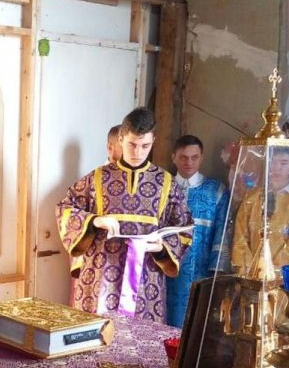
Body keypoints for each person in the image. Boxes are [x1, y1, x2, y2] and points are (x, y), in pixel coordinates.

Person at [57, 107, 193, 322]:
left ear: (153, 140)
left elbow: (185, 227)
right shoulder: (97, 178)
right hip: (100, 277)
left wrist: (161, 247)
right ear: (120, 139)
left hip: (146, 280)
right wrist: (94, 220)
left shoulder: (166, 183)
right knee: (96, 334)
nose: (138, 152)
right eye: (132, 144)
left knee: (141, 337)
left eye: (145, 146)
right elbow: (65, 208)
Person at [164, 135, 230, 327]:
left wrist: (217, 270)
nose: (189, 162)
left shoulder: (216, 190)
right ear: (174, 157)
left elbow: (222, 231)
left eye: (194, 157)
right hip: (166, 268)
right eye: (183, 157)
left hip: (200, 271)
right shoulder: (163, 187)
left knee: (196, 323)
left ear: (202, 157)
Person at [230, 145, 289, 273]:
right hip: (250, 274)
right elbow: (240, 237)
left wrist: (272, 271)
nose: (276, 168)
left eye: (283, 163)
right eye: (272, 162)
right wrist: (250, 270)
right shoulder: (252, 198)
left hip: (281, 276)